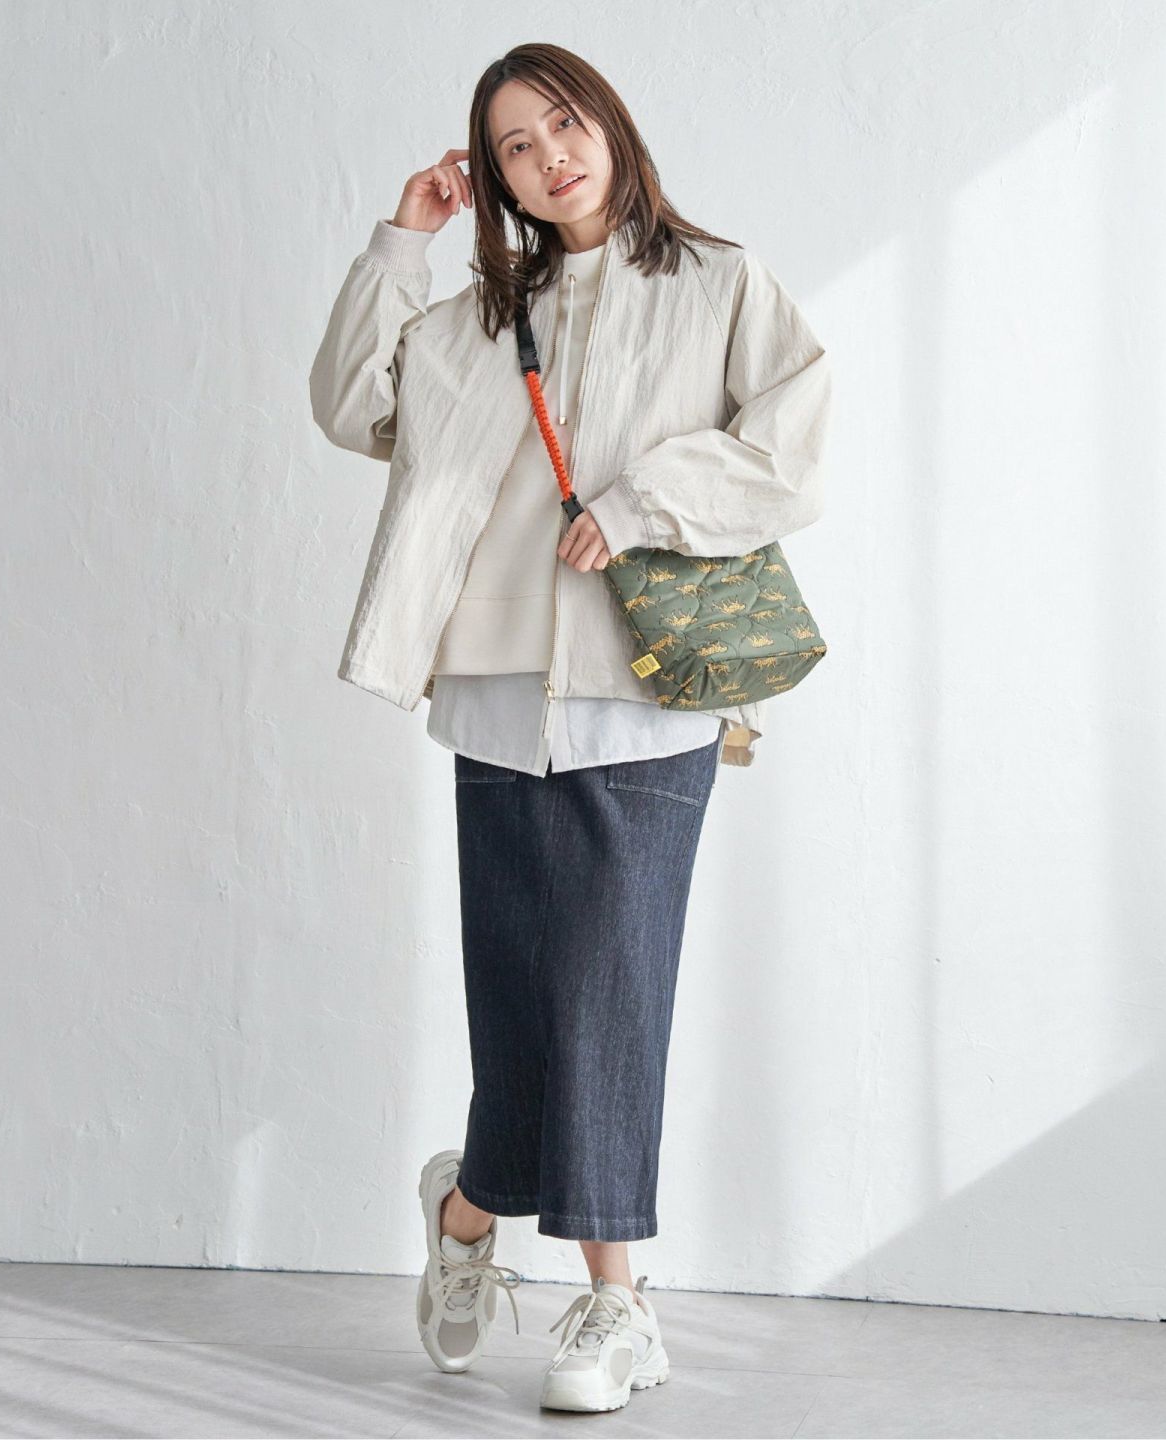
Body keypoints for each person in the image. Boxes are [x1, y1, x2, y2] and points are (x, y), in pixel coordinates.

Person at [309, 42, 832, 1416]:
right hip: (494, 689)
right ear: (496, 180)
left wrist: (645, 502)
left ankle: (617, 1303)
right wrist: (403, 243)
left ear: (607, 120)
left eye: (561, 122)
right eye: (515, 147)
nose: (549, 156)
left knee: (610, 991)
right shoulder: (483, 315)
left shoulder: (720, 284)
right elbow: (352, 406)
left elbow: (791, 447)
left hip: (645, 689)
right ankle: (469, 1213)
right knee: (522, 1004)